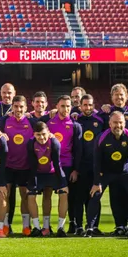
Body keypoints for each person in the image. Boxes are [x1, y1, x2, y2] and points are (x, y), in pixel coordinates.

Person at [91, 112, 128, 237]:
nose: (117, 125)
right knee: (96, 194)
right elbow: (97, 162)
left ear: (124, 123)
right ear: (109, 123)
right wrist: (96, 183)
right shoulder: (102, 137)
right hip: (108, 172)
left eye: (120, 122)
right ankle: (90, 228)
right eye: (115, 122)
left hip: (125, 171)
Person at [2, 95, 42, 234]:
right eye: (16, 106)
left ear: (26, 108)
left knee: (25, 196)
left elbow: (44, 132)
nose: (18, 109)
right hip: (8, 165)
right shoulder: (5, 120)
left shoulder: (32, 122)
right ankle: (6, 225)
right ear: (12, 107)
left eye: (21, 107)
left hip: (26, 166)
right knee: (5, 196)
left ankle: (26, 226)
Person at [41, 96, 81, 236]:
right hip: (50, 166)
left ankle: (61, 227)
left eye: (68, 106)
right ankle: (46, 226)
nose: (66, 109)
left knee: (64, 195)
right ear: (57, 106)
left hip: (67, 165)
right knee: (47, 194)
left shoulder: (75, 125)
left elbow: (77, 149)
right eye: (63, 106)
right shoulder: (48, 122)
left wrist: (75, 169)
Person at [72, 94, 106, 236]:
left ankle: (93, 226)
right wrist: (75, 168)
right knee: (79, 197)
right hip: (80, 166)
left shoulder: (100, 120)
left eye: (90, 105)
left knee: (95, 197)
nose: (88, 107)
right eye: (85, 105)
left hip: (96, 166)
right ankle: (79, 226)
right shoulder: (75, 120)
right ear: (80, 106)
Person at [26, 122, 68, 237]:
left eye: (44, 134)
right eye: (38, 135)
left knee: (63, 193)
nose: (42, 137)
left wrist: (63, 183)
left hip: (54, 173)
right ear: (34, 134)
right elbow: (33, 165)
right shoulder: (31, 143)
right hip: (38, 173)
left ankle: (61, 227)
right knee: (30, 195)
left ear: (49, 133)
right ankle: (37, 227)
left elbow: (56, 163)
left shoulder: (54, 142)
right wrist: (32, 185)